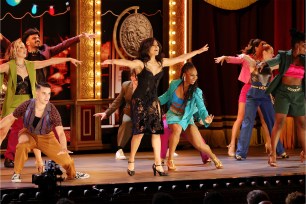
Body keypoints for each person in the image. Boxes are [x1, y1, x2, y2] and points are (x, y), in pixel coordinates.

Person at [102, 37, 209, 176]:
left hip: (153, 101)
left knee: (156, 133)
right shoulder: (140, 64)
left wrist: (198, 51)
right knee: (139, 133)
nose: (156, 47)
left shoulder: (161, 62)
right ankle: (131, 162)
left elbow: (181, 57)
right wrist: (111, 61)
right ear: (147, 49)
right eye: (153, 46)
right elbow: (126, 62)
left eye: (157, 45)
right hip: (139, 101)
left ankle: (158, 164)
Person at [2, 29, 95, 168]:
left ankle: (57, 155)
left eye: (38, 37)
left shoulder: (45, 53)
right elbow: (7, 43)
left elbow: (63, 46)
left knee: (48, 126)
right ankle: (11, 157)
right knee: (16, 128)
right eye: (34, 38)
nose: (38, 39)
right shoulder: (20, 54)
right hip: (22, 97)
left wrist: (80, 37)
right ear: (26, 42)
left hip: (40, 94)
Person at [0, 82, 89, 182]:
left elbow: (60, 133)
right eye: (44, 93)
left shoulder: (52, 111)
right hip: (29, 134)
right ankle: (16, 174)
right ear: (36, 93)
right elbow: (9, 118)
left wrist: (63, 147)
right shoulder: (26, 105)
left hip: (47, 137)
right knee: (22, 145)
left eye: (49, 93)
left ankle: (73, 174)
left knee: (67, 162)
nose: (47, 97)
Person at [214, 39, 274, 157]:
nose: (263, 48)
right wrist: (225, 57)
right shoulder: (247, 58)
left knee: (265, 119)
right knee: (240, 118)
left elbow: (269, 78)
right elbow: (235, 59)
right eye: (261, 46)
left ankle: (269, 144)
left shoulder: (265, 60)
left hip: (261, 91)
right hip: (248, 90)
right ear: (256, 47)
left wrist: (270, 93)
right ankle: (232, 145)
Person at [159, 62, 222, 170]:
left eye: (196, 75)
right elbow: (165, 97)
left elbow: (202, 109)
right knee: (177, 129)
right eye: (192, 75)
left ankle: (214, 157)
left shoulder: (196, 91)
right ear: (184, 74)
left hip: (186, 119)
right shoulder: (174, 84)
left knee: (199, 144)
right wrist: (154, 101)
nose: (195, 78)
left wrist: (206, 118)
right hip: (173, 115)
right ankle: (170, 160)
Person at [235, 44, 287, 160]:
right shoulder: (255, 64)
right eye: (270, 52)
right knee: (247, 122)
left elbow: (284, 64)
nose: (273, 55)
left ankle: (280, 151)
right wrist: (243, 55)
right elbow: (247, 59)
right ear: (264, 53)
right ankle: (240, 152)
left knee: (272, 123)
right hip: (253, 96)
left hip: (265, 96)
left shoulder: (271, 66)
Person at [265, 29, 305, 166]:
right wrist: (262, 64)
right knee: (280, 122)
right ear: (296, 45)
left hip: (299, 94)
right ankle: (273, 154)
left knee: (302, 124)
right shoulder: (284, 56)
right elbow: (270, 63)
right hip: (283, 93)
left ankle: (305, 152)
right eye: (304, 45)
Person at [94, 69, 138, 160]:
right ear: (131, 76)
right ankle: (119, 150)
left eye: (137, 76)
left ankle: (166, 149)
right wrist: (106, 113)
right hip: (129, 111)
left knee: (155, 127)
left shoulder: (145, 86)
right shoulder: (126, 85)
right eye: (134, 76)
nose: (135, 78)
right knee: (125, 122)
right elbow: (118, 101)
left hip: (143, 112)